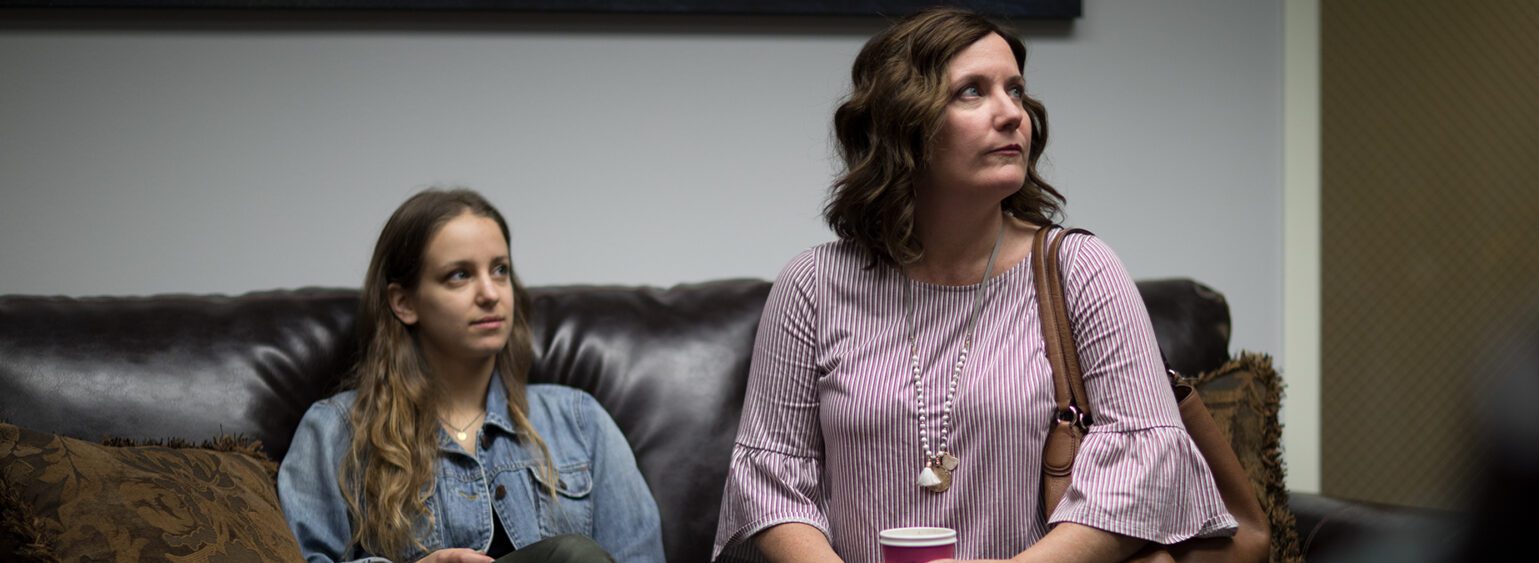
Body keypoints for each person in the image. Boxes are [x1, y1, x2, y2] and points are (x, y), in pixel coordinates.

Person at [714, 8, 1237, 563]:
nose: (1012, 114)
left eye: (1016, 90)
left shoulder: (1081, 270)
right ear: (903, 122)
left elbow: (1147, 466)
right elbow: (770, 477)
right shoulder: (812, 286)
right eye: (972, 91)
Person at [277, 189, 665, 563]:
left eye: (500, 270)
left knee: (574, 556)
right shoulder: (334, 431)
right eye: (460, 275)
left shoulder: (580, 422)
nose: (490, 293)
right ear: (404, 303)